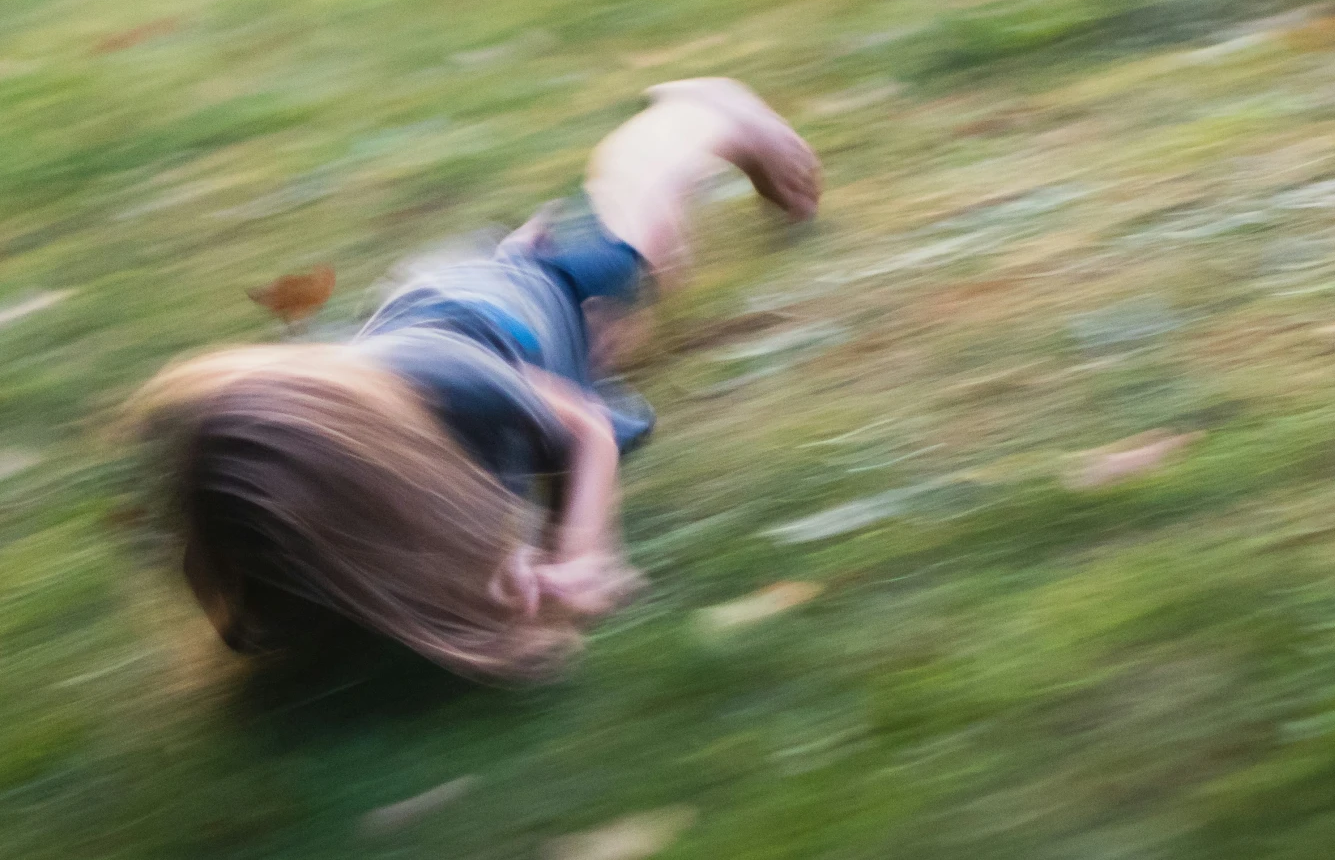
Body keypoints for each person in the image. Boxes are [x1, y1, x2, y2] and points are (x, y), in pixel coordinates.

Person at [131, 78, 820, 681]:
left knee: (643, 254)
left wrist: (581, 552)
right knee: (601, 344)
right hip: (441, 327)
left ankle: (698, 115)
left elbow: (584, 426)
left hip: (510, 301)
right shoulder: (273, 528)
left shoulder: (458, 391)